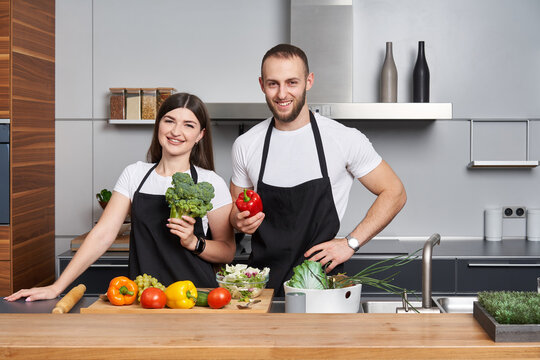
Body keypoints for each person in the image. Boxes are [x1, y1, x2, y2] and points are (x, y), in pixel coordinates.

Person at [6, 92, 235, 302]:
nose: (176, 131)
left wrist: (193, 242)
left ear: (200, 135)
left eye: (188, 125)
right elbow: (102, 235)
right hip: (144, 298)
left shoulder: (210, 182)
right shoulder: (134, 174)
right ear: (158, 125)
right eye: (169, 121)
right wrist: (56, 288)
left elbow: (227, 250)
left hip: (195, 298)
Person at [229, 44, 406, 296]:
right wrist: (238, 221)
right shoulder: (246, 144)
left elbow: (395, 192)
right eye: (273, 84)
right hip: (260, 287)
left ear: (308, 81)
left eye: (292, 82)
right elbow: (236, 210)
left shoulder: (343, 139)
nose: (282, 93)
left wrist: (350, 243)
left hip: (321, 287)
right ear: (261, 84)